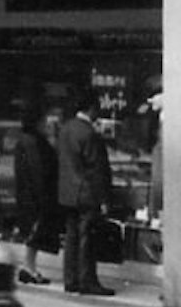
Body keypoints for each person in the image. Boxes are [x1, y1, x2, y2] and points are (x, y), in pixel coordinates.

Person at [56, 96, 116, 296]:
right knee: (87, 238)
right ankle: (87, 280)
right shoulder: (90, 134)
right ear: (91, 108)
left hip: (68, 192)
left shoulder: (65, 129)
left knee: (72, 235)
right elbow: (97, 169)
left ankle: (70, 279)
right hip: (87, 191)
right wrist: (104, 199)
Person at [10, 103, 62, 285]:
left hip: (28, 193)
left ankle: (29, 267)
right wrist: (43, 196)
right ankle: (29, 268)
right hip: (36, 195)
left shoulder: (26, 140)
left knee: (32, 233)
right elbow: (38, 170)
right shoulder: (33, 142)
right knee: (34, 232)